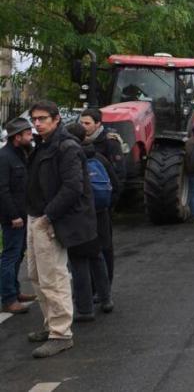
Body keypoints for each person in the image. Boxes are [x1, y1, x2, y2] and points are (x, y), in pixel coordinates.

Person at [25, 100, 97, 358]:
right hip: (36, 216)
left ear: (56, 119)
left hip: (50, 219)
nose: (37, 123)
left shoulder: (66, 147)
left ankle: (61, 333)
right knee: (36, 275)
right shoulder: (44, 145)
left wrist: (49, 216)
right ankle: (50, 323)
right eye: (35, 119)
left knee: (53, 277)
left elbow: (72, 188)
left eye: (42, 118)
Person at [64, 123, 115, 321]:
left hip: (76, 216)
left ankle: (85, 309)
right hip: (98, 214)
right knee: (97, 257)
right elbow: (115, 184)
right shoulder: (98, 157)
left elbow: (69, 189)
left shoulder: (69, 157)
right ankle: (106, 298)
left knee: (78, 263)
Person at [79, 108, 124, 284]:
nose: (83, 127)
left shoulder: (110, 142)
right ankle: (90, 285)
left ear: (98, 124)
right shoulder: (79, 141)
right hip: (85, 206)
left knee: (104, 247)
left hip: (102, 204)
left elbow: (119, 176)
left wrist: (110, 203)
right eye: (81, 123)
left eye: (87, 123)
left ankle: (105, 284)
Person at [0, 117, 36, 314]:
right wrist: (14, 216)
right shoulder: (4, 157)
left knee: (17, 254)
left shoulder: (21, 153)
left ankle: (14, 291)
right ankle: (8, 299)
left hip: (23, 214)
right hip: (12, 217)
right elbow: (2, 190)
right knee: (10, 256)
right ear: (17, 137)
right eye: (28, 134)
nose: (31, 136)